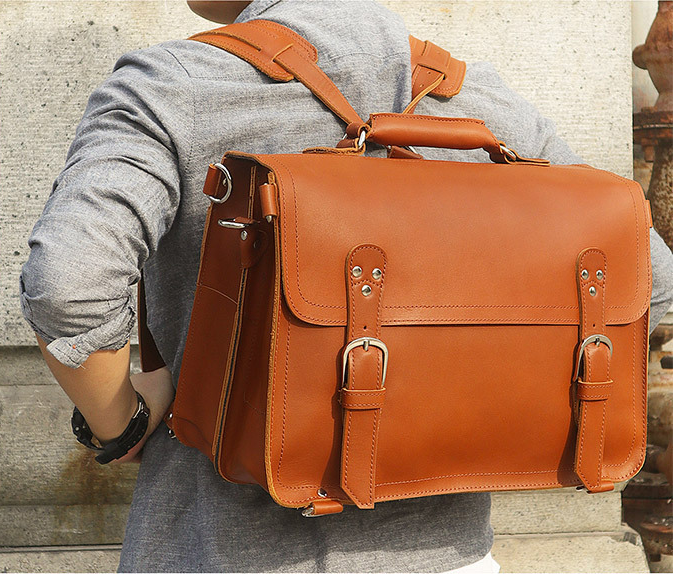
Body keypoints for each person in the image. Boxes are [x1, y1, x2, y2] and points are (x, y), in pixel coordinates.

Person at [19, 1, 673, 572]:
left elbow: (68, 287)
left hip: (215, 553)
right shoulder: (469, 97)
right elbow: (655, 276)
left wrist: (119, 419)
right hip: (449, 559)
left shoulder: (170, 86)